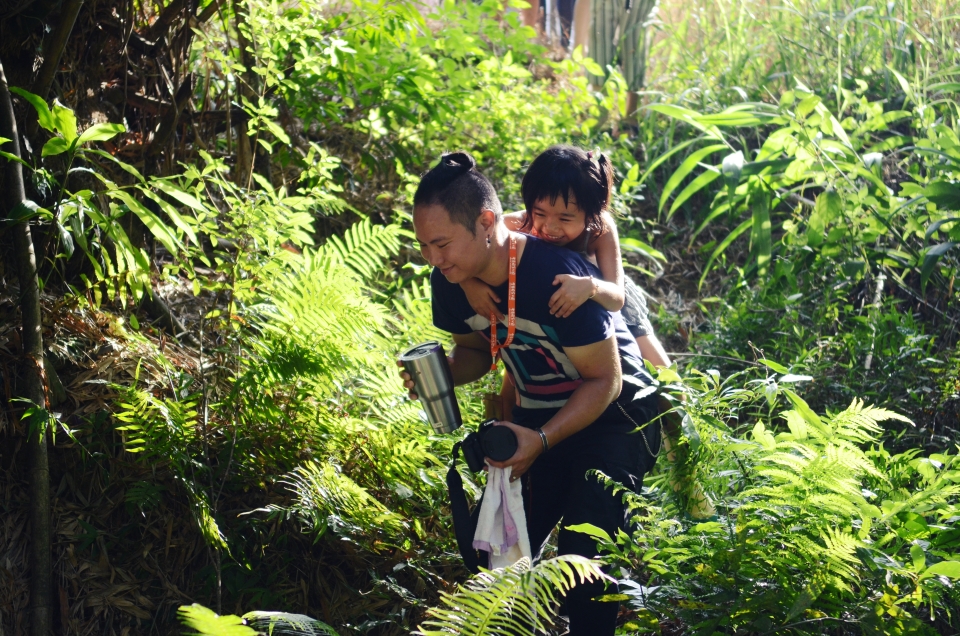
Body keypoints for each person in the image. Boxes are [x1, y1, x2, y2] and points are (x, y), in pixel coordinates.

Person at [399, 151, 660, 636]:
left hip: (618, 418)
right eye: (424, 247)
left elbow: (608, 380)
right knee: (492, 554)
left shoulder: (556, 276)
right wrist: (441, 375)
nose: (433, 260)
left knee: (583, 559)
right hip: (539, 417)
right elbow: (476, 352)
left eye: (442, 244)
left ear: (485, 222)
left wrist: (538, 441)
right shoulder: (453, 282)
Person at [460, 144, 715, 518]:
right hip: (546, 314)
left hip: (606, 305)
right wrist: (469, 285)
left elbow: (616, 296)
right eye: (540, 213)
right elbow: (473, 251)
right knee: (517, 377)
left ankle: (688, 469)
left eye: (566, 218)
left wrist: (589, 287)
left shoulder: (600, 230)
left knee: (661, 379)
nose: (548, 227)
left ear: (591, 215)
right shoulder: (515, 223)